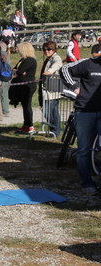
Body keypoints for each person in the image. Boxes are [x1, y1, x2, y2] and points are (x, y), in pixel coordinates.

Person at [60, 56, 101, 196]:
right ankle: (87, 183)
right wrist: (74, 87)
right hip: (85, 111)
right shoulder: (89, 63)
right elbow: (65, 69)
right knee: (84, 149)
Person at [9, 42, 37, 133]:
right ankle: (26, 124)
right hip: (21, 85)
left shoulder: (30, 60)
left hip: (28, 85)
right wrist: (17, 71)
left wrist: (18, 72)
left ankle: (30, 125)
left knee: (27, 105)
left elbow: (19, 71)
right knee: (24, 106)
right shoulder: (22, 60)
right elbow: (15, 70)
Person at [38, 41, 63, 136]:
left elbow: (57, 64)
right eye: (44, 49)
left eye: (49, 49)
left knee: (49, 112)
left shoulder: (56, 58)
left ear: (54, 50)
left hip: (52, 90)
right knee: (50, 112)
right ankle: (54, 130)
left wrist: (49, 71)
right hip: (47, 89)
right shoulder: (48, 58)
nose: (46, 51)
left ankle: (55, 131)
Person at [0, 41, 10, 116]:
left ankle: (5, 111)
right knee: (3, 94)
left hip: (3, 77)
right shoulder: (5, 54)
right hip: (6, 76)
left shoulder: (2, 55)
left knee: (3, 94)